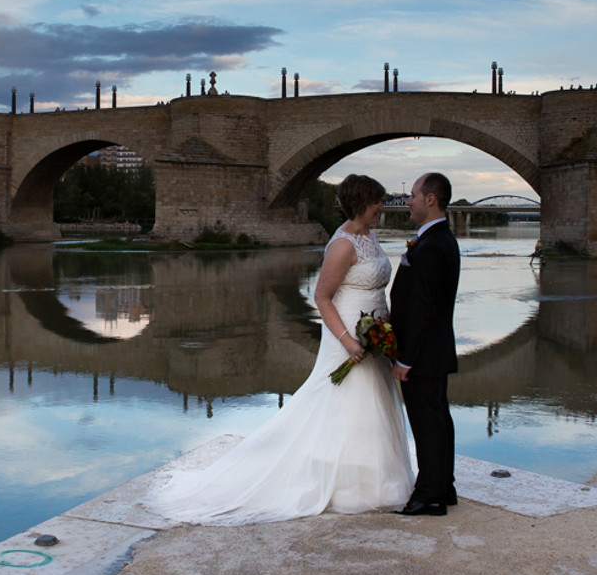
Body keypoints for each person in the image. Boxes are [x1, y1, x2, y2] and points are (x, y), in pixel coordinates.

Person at [146, 174, 414, 525]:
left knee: (374, 402)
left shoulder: (371, 238)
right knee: (345, 400)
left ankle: (376, 479)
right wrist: (348, 340)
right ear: (362, 202)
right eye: (378, 201)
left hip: (375, 333)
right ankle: (344, 484)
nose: (382, 206)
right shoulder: (343, 244)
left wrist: (386, 334)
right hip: (347, 332)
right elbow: (321, 297)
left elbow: (377, 290)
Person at [390, 172, 461, 517]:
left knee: (427, 423)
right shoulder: (439, 238)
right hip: (434, 351)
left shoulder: (432, 246)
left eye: (413, 194)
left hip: (423, 354)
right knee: (438, 418)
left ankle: (430, 494)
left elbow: (422, 309)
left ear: (430, 198)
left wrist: (405, 360)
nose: (409, 200)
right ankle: (443, 486)